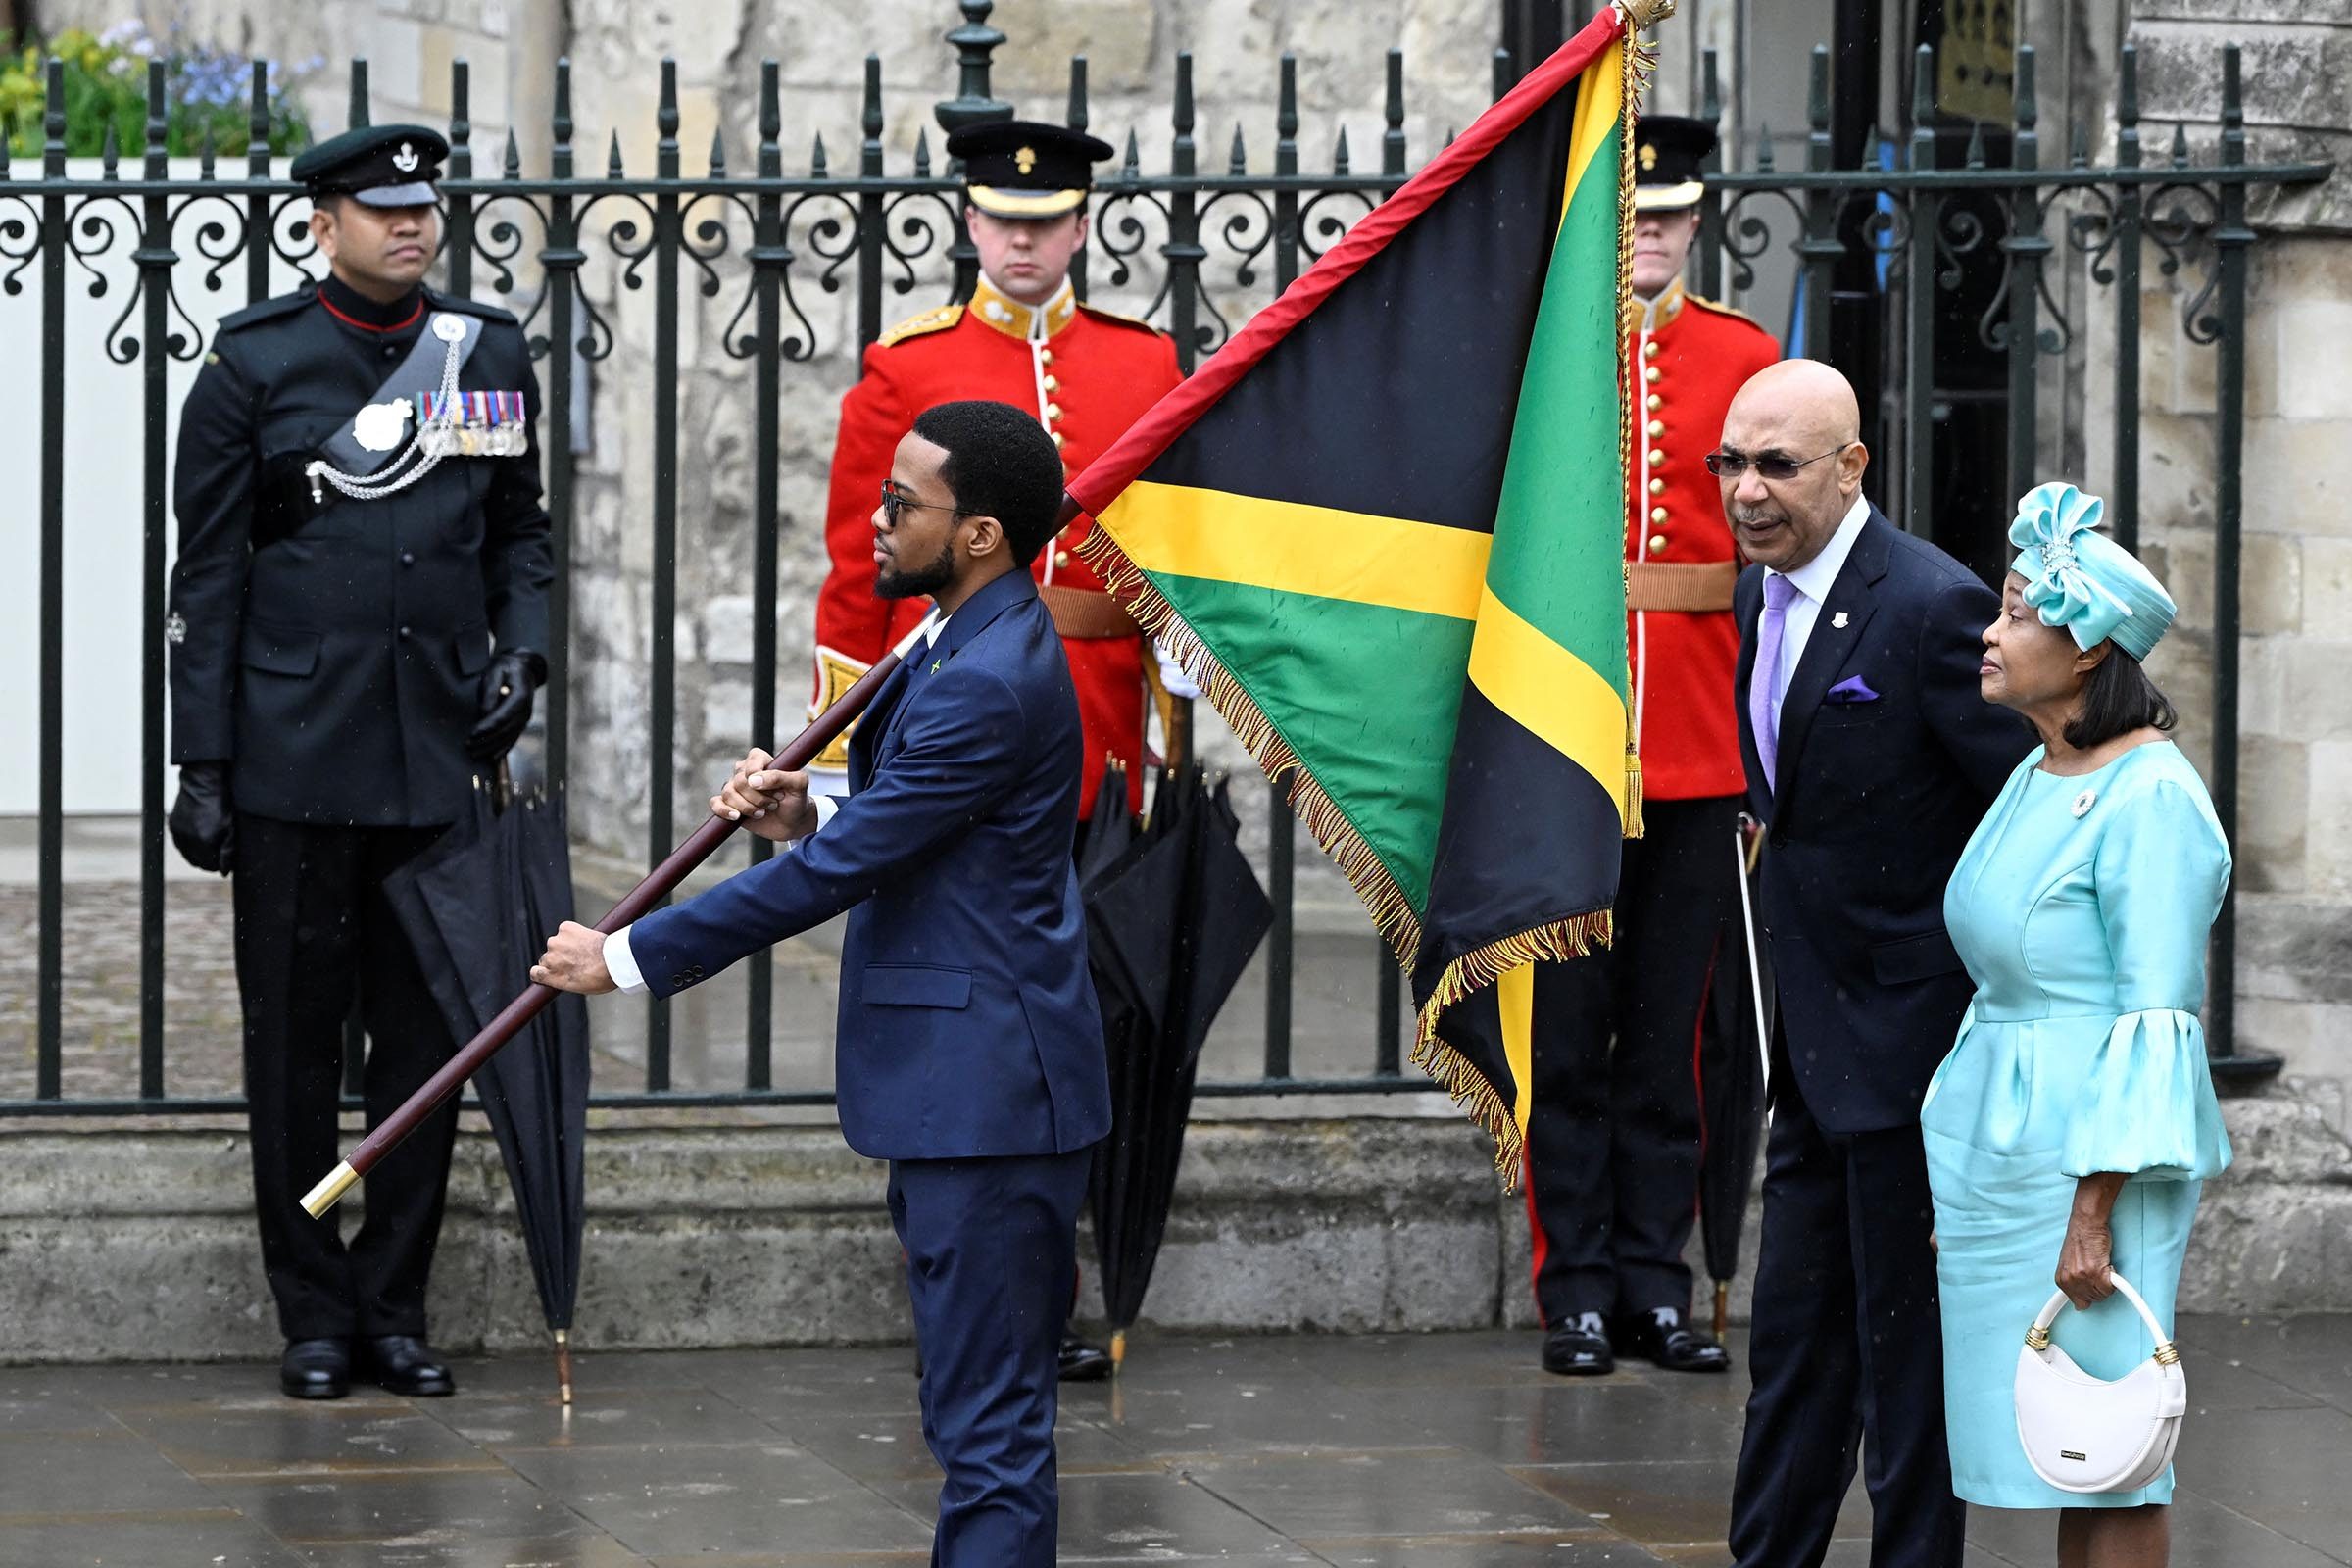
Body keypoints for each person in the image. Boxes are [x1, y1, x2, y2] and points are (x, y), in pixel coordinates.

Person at [533, 400, 1110, 1568]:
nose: (877, 519)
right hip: (967, 1093)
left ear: (984, 532)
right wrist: (810, 809)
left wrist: (627, 955)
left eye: (905, 505)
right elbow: (919, 827)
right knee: (972, 1413)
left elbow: (844, 876)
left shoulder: (987, 673)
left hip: (992, 1098)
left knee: (989, 1430)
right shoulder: (956, 637)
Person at [165, 124, 553, 1400]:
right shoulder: (252, 365)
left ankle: (394, 1306)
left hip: (435, 755)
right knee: (292, 1045)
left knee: (427, 1045)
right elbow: (211, 575)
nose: (410, 226)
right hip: (291, 760)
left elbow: (519, 534)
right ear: (320, 221)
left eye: (422, 207)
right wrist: (203, 762)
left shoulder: (484, 351)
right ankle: (311, 1312)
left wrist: (525, 652)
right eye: (379, 208)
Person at [1720, 360, 2032, 1567]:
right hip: (1806, 1050)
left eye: (1776, 466)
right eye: (1730, 463)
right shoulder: (1764, 597)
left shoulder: (1931, 605)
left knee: (1909, 1372)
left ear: (1853, 467)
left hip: (1912, 1059)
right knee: (1794, 1348)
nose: (1747, 492)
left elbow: (2020, 815)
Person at [1925, 482, 2230, 1567]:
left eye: (2018, 613)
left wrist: (2092, 1213)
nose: (1991, 632)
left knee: (2116, 1456)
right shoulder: (2038, 769)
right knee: (2060, 1445)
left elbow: (2157, 1019)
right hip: (2005, 1152)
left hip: (2086, 1163)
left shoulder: (2151, 795)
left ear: (2090, 649)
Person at [1523, 114, 1780, 1379]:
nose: (1656, 235)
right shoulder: (1544, 347)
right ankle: (1571, 1283)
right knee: (1564, 1034)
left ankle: (1651, 1277)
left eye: (1674, 215)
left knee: (1674, 1035)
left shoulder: (1746, 355)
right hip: (1564, 736)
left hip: (1694, 736)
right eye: (1638, 214)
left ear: (1698, 222)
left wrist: (1761, 749)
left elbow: (1772, 574)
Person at [807, 119, 1187, 819]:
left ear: (1079, 228)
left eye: (1044, 223)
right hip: (943, 687)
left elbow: (1171, 534)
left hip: (1097, 697)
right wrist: (836, 746)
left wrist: (1179, 653)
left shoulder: (1147, 362)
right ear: (972, 221)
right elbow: (861, 563)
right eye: (1005, 219)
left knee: (1094, 908)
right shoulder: (907, 364)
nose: (1022, 240)